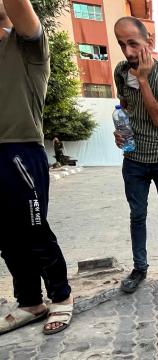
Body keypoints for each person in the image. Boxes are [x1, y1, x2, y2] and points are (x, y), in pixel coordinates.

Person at [0, 0, 73, 335]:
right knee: (8, 238)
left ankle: (61, 296)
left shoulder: (26, 44)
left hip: (20, 151)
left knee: (34, 231)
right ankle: (30, 301)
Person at [112, 16, 158, 293]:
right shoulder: (120, 71)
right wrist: (120, 130)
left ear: (149, 42)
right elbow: (124, 107)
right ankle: (140, 268)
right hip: (133, 160)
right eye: (122, 45)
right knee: (137, 216)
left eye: (134, 43)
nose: (129, 52)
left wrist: (143, 80)